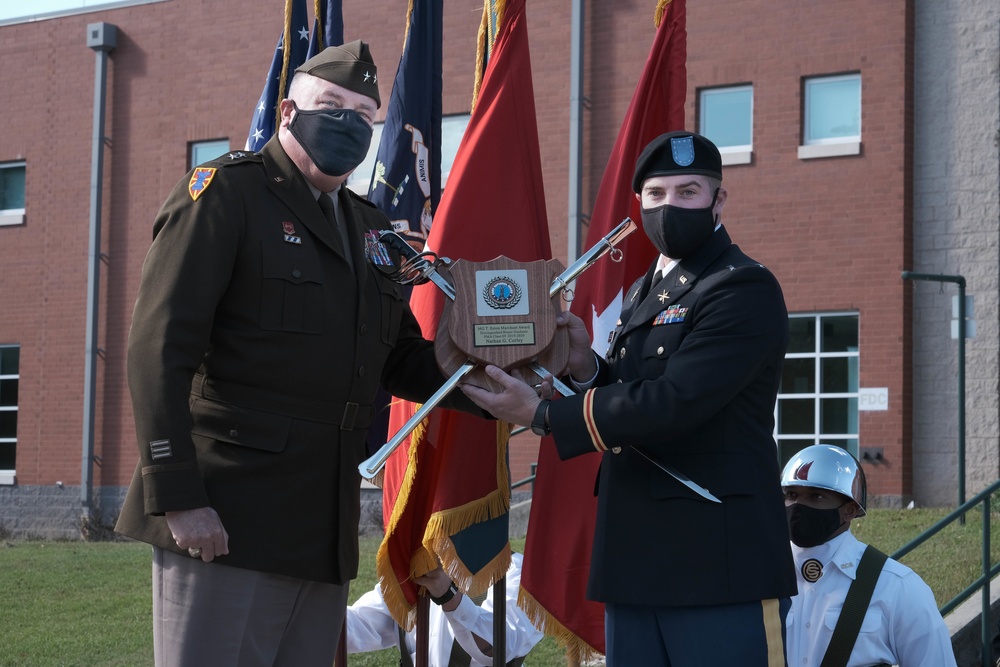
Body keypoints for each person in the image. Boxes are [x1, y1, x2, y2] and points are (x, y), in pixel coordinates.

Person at [115, 41, 480, 666]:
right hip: (226, 515)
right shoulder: (226, 196)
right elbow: (158, 350)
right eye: (330, 105)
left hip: (320, 527)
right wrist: (177, 494)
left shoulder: (369, 228)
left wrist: (493, 368)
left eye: (364, 115)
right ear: (287, 110)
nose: (347, 123)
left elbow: (399, 361)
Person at [460, 131, 796, 665]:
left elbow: (675, 401)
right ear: (638, 203)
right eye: (657, 195)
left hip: (715, 560)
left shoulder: (742, 287)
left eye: (688, 192)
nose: (670, 207)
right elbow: (636, 386)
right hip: (636, 557)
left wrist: (544, 415)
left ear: (718, 200)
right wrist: (585, 366)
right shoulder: (648, 287)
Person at [781, 444, 958, 667]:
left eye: (816, 496)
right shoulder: (758, 576)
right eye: (791, 495)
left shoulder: (897, 586)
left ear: (850, 510)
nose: (798, 505)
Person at [346, 553, 543, 666]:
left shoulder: (516, 571)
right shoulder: (413, 571)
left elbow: (500, 648)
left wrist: (449, 596)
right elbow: (358, 628)